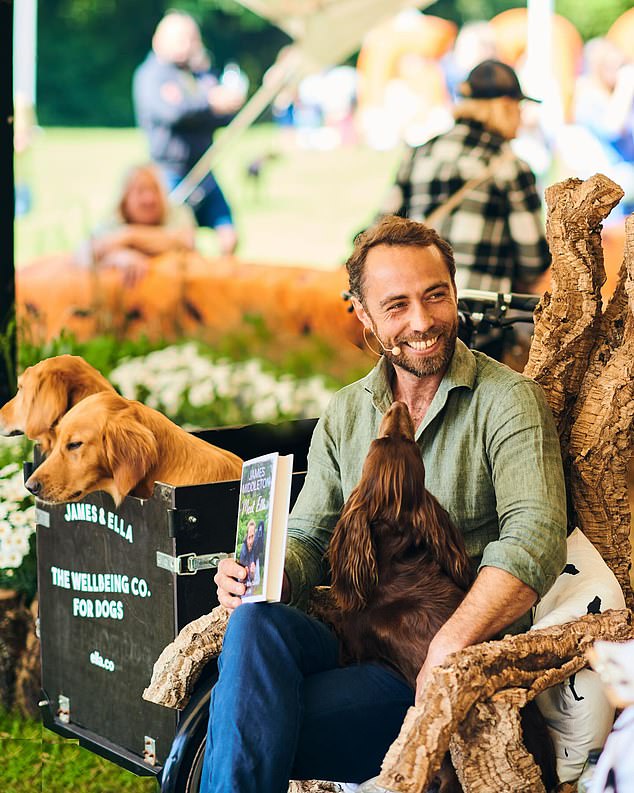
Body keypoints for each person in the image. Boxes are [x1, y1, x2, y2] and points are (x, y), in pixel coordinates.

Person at [202, 215, 567, 793]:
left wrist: (448, 648)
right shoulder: (346, 412)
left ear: (454, 291)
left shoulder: (508, 401)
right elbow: (309, 537)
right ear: (365, 318)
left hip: (446, 664)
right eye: (396, 306)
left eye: (435, 296)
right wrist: (264, 572)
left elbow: (534, 540)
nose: (422, 322)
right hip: (358, 638)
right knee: (254, 623)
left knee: (248, 722)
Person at [382, 59, 550, 358]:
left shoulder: (420, 153)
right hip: (478, 323)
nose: (522, 117)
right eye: (519, 108)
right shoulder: (510, 166)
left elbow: (381, 228)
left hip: (414, 314)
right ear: (504, 106)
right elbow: (533, 259)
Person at [132, 11, 245, 256]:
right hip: (170, 172)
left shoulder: (197, 75)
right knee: (181, 240)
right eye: (183, 39)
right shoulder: (152, 75)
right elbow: (173, 111)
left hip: (203, 168)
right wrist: (210, 101)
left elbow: (216, 114)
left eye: (193, 39)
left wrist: (228, 103)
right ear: (160, 39)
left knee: (229, 235)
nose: (191, 46)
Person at [75, 163, 195, 287]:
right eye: (140, 191)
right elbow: (84, 252)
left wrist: (129, 236)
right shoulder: (115, 218)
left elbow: (186, 240)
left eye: (155, 190)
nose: (149, 198)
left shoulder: (177, 212)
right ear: (126, 198)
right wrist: (117, 257)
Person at [238, 519, 261, 595]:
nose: (251, 541)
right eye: (249, 537)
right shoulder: (243, 552)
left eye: (253, 537)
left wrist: (252, 573)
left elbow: (256, 581)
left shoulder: (255, 551)